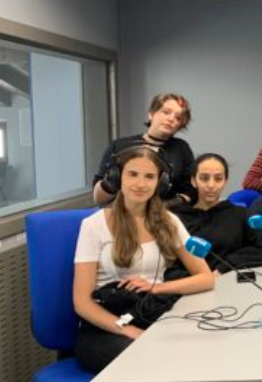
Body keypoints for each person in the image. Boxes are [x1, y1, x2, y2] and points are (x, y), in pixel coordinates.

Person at [73, 147, 214, 373]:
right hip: (106, 325)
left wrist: (157, 287)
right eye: (132, 174)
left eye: (149, 176)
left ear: (161, 183)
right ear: (118, 177)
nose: (140, 184)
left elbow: (205, 278)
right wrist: (127, 330)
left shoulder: (169, 222)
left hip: (150, 314)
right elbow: (82, 302)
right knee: (152, 361)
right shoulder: (93, 226)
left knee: (201, 352)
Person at [170, 153, 262, 272]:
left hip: (228, 280)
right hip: (186, 282)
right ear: (193, 181)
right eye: (204, 178)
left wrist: (226, 265)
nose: (211, 185)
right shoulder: (176, 218)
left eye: (218, 179)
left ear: (225, 181)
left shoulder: (241, 215)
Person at [93, 93, 196, 205]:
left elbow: (191, 191)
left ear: (180, 125)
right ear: (151, 114)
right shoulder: (119, 146)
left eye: (178, 118)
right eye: (166, 112)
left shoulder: (182, 148)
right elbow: (98, 199)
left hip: (165, 212)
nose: (171, 119)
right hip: (122, 211)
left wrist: (171, 204)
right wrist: (110, 183)